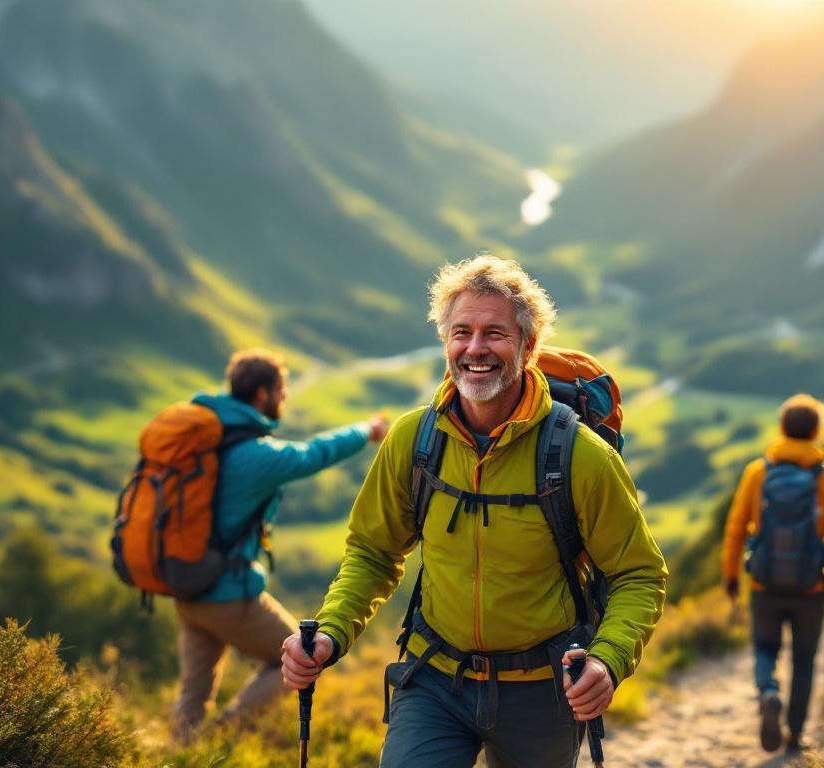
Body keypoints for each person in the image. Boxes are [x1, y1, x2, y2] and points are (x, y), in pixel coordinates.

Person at [281, 255, 667, 767]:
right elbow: (373, 552)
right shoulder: (413, 441)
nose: (475, 348)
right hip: (435, 682)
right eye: (461, 332)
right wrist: (331, 631)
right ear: (446, 342)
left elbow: (639, 574)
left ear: (529, 346)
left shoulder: (580, 456)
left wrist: (607, 660)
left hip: (545, 693)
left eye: (495, 333)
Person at [171, 349, 389, 738]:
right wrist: (366, 430)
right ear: (262, 394)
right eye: (281, 390)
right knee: (301, 657)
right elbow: (315, 453)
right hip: (228, 594)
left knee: (192, 693)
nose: (284, 398)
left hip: (188, 588)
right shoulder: (255, 456)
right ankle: (219, 738)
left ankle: (181, 753)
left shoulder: (208, 441)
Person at [720, 394, 824, 754]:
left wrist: (731, 575)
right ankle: (795, 734)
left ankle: (768, 691)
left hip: (764, 582)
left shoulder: (758, 473)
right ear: (816, 431)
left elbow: (736, 528)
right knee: (804, 659)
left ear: (782, 428)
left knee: (765, 648)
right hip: (810, 587)